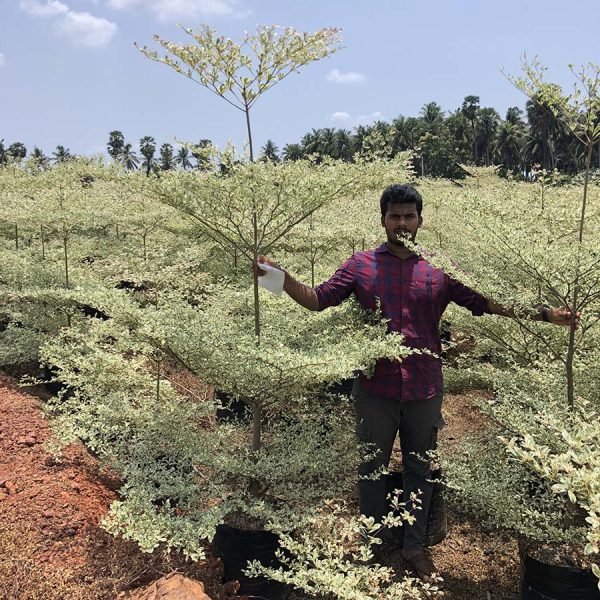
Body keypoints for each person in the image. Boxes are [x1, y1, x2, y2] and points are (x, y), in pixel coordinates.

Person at [254, 183, 576, 582]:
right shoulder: (361, 265)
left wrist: (545, 314)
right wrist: (281, 277)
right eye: (395, 215)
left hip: (425, 388)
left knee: (419, 468)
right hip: (374, 388)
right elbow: (318, 299)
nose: (402, 222)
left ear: (421, 220)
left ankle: (414, 547)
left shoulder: (440, 267)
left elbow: (487, 302)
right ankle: (373, 545)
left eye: (409, 215)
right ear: (383, 220)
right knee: (371, 468)